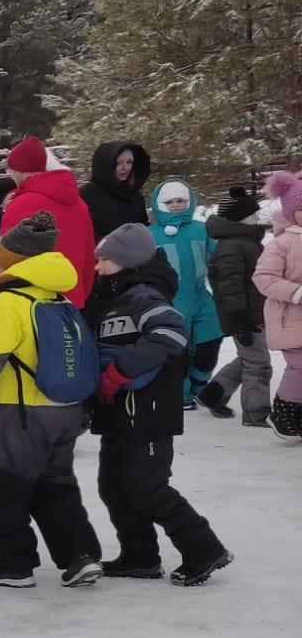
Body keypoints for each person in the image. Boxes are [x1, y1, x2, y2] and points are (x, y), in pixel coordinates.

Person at [0, 211, 104, 589]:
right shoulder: (59, 300)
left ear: (14, 260)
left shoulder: (7, 303)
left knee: (1, 487)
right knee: (55, 485)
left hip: (19, 413)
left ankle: (11, 565)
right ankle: (80, 556)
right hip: (66, 409)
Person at [88, 223, 233, 586]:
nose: (97, 266)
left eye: (104, 259)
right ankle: (140, 556)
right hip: (119, 412)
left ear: (127, 262)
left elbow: (171, 333)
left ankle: (204, 549)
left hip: (147, 412)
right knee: (113, 487)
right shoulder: (112, 298)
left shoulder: (144, 295)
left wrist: (120, 371)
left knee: (147, 487)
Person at [0, 137, 96, 308]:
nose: (10, 176)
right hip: (71, 303)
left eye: (11, 171)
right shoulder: (79, 204)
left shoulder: (21, 204)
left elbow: (3, 258)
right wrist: (80, 297)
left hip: (27, 306)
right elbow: (89, 259)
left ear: (25, 172)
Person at [147, 177, 224, 405]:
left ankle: (199, 385)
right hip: (169, 303)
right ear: (160, 204)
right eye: (170, 201)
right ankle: (179, 394)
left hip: (201, 299)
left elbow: (220, 260)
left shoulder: (201, 230)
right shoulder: (150, 234)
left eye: (181, 200)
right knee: (175, 351)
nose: (176, 205)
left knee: (209, 343)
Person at [203, 185, 273, 427]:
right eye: (253, 214)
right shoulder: (231, 247)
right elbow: (229, 287)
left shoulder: (245, 241)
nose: (257, 218)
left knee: (249, 357)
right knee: (259, 363)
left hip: (252, 311)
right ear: (240, 218)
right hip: (243, 315)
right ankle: (257, 412)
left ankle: (214, 393)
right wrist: (240, 319)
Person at [254, 169, 302, 444]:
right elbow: (263, 278)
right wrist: (296, 292)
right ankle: (283, 412)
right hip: (289, 317)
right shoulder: (281, 244)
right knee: (299, 367)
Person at [80, 141, 152, 242]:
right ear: (105, 164)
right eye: (118, 163)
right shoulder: (88, 194)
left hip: (135, 254)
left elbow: (143, 229)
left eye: (129, 162)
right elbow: (83, 232)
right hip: (101, 255)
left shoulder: (134, 195)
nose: (125, 168)